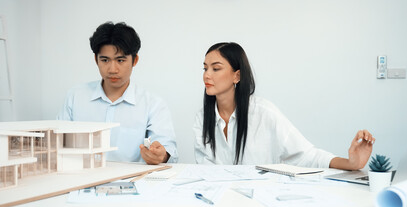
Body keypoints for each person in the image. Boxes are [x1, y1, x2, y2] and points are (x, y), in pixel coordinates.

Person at [194, 42, 374, 170]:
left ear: (237, 76)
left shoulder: (264, 113)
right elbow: (205, 170)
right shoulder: (202, 118)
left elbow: (306, 156)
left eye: (215, 69)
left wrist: (352, 164)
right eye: (205, 68)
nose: (207, 75)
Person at [57, 22, 178, 164]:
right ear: (96, 59)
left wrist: (160, 155)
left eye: (120, 60)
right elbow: (57, 143)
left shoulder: (153, 104)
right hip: (82, 179)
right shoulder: (75, 97)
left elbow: (169, 152)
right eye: (105, 60)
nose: (112, 69)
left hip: (133, 182)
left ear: (135, 60)